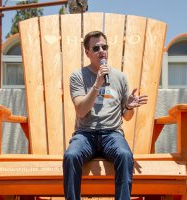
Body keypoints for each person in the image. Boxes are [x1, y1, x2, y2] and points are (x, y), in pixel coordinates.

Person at [63, 31, 148, 200]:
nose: (101, 51)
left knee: (125, 155)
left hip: (112, 134)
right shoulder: (78, 76)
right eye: (96, 48)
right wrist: (98, 83)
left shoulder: (120, 77)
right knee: (71, 156)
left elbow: (127, 117)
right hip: (85, 134)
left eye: (104, 46)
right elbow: (81, 110)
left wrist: (129, 107)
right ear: (87, 53)